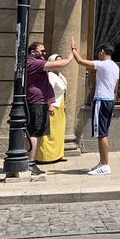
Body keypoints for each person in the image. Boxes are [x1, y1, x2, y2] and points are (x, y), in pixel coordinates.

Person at [71, 38, 119, 175]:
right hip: (109, 100)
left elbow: (80, 61)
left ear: (102, 51)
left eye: (99, 52)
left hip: (102, 100)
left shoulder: (103, 64)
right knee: (103, 133)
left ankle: (105, 165)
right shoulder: (115, 66)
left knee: (101, 134)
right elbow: (116, 87)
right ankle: (102, 162)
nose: (98, 55)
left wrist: (73, 49)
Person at [25, 42, 72, 178]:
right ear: (33, 52)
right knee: (34, 133)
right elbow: (61, 64)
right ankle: (30, 163)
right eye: (42, 51)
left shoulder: (34, 63)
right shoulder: (34, 63)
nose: (44, 53)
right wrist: (72, 54)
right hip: (36, 103)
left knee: (36, 133)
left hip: (40, 102)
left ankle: (29, 161)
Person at [35, 53, 68, 165]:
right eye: (57, 61)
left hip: (60, 106)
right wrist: (50, 105)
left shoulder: (61, 76)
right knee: (50, 132)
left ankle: (58, 155)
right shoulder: (50, 75)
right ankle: (46, 156)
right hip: (53, 106)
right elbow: (48, 90)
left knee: (58, 131)